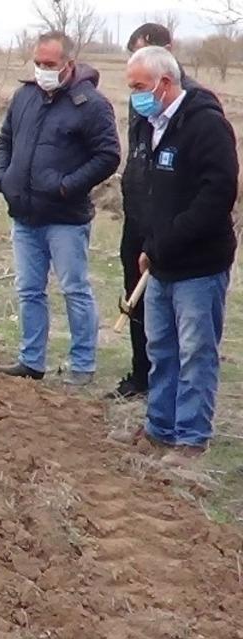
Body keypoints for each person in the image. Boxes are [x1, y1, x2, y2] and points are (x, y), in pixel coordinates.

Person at [111, 47, 238, 466]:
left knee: (195, 352)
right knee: (160, 348)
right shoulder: (150, 126)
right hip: (159, 261)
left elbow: (216, 196)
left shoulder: (206, 126)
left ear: (164, 84)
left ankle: (191, 438)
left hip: (199, 264)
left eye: (139, 87)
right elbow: (148, 193)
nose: (134, 96)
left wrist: (168, 241)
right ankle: (158, 428)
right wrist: (147, 243)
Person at [0, 31, 119, 386]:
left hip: (65, 219)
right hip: (24, 215)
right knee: (29, 290)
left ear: (68, 64)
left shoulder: (91, 105)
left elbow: (108, 156)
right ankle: (31, 361)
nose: (42, 70)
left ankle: (82, 366)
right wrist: (3, 178)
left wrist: (67, 185)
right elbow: (5, 140)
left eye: (49, 64)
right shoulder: (24, 96)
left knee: (74, 289)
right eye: (38, 63)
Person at [112, 23, 207, 400]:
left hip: (174, 231)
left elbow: (209, 186)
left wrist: (170, 230)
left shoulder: (194, 108)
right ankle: (142, 375)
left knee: (178, 321)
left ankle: (179, 398)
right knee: (136, 302)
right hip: (139, 219)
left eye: (143, 52)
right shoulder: (143, 105)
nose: (136, 93)